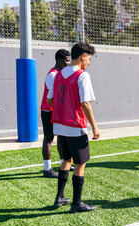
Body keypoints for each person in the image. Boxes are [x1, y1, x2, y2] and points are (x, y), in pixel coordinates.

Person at [47, 42, 100, 213]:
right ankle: (77, 203)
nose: (89, 63)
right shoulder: (82, 75)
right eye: (89, 59)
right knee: (80, 164)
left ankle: (60, 197)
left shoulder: (58, 74)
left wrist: (63, 108)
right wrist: (95, 127)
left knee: (66, 161)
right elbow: (85, 103)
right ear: (83, 56)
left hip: (60, 127)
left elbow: (49, 99)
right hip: (75, 126)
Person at [40, 49, 71, 178]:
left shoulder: (60, 73)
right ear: (59, 60)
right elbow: (51, 98)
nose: (68, 63)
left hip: (57, 111)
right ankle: (47, 169)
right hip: (49, 111)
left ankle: (63, 163)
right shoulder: (53, 75)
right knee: (48, 138)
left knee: (61, 136)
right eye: (66, 60)